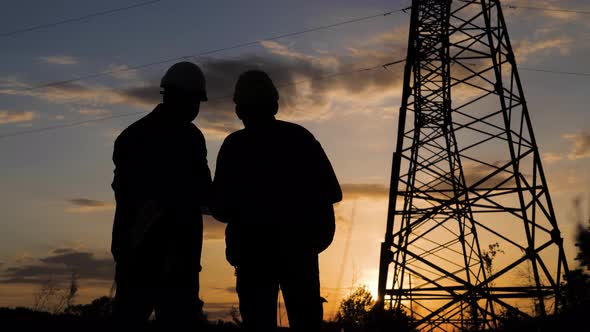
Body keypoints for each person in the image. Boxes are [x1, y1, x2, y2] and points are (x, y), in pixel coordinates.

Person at [211, 70, 342, 332]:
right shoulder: (300, 138)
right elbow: (332, 192)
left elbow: (221, 208)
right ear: (274, 103)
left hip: (254, 260)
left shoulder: (234, 146)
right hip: (298, 255)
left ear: (239, 108)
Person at [110, 61, 212, 330]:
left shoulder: (131, 136)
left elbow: (123, 191)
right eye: (195, 101)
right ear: (184, 98)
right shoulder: (190, 138)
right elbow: (203, 193)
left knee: (129, 318)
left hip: (135, 253)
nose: (196, 108)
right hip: (174, 256)